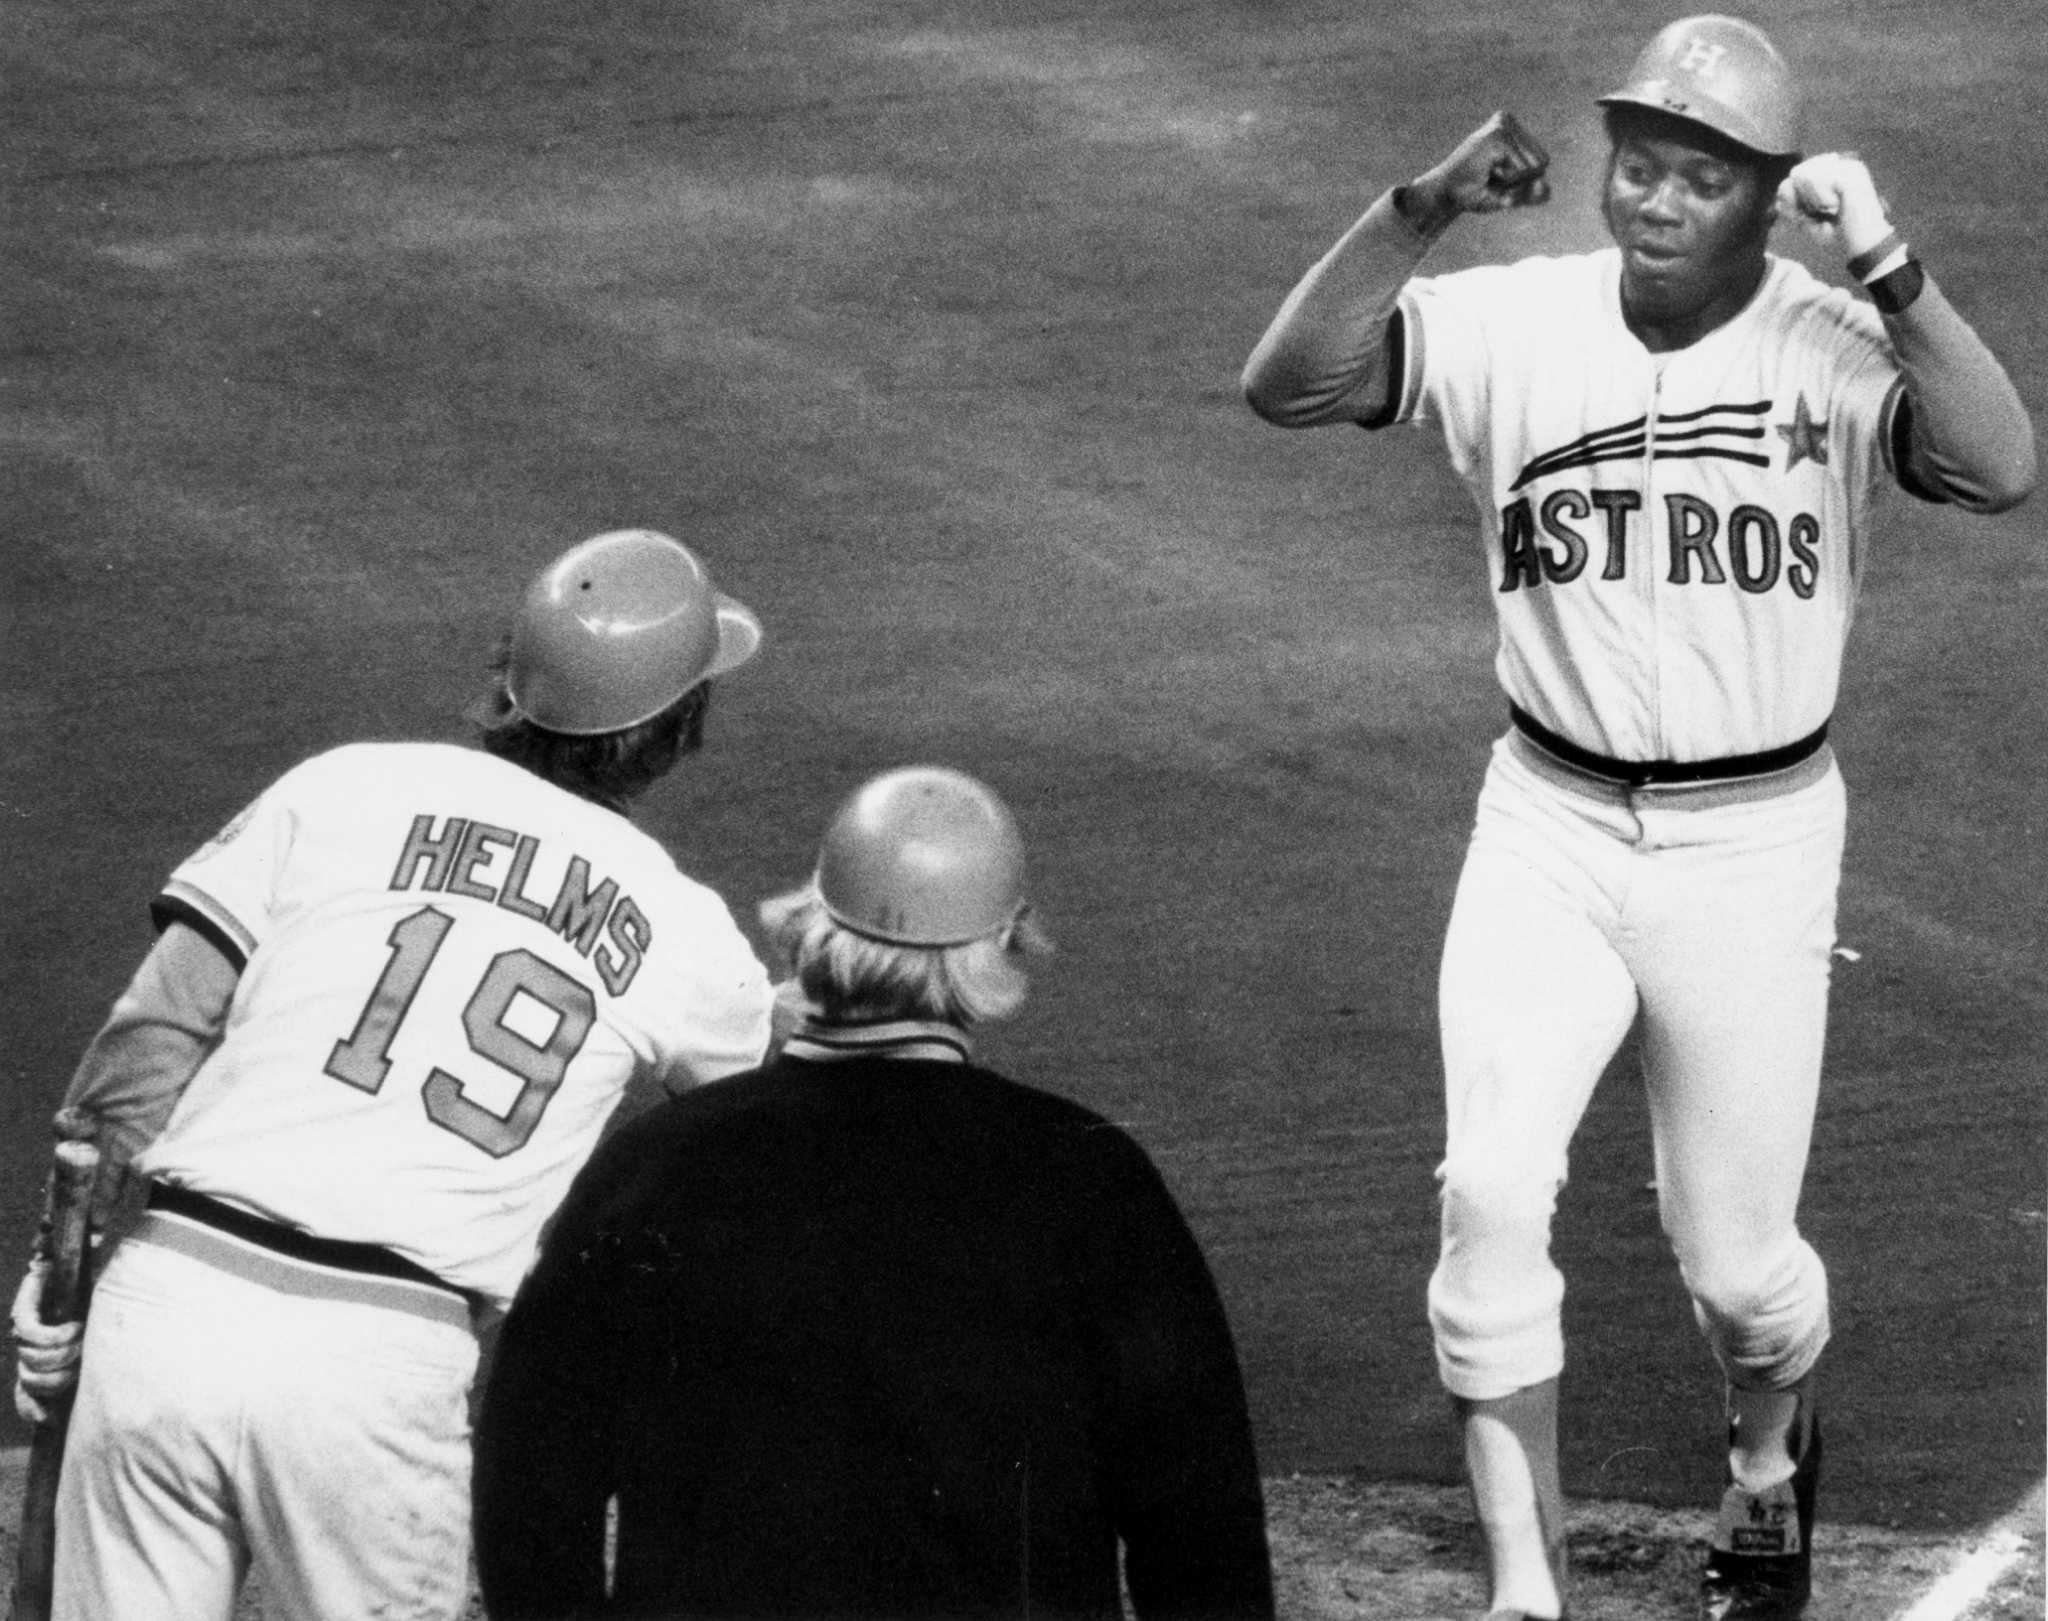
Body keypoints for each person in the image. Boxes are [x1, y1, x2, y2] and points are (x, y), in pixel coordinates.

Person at [1239, 15, 2033, 1621]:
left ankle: (1765, 1453)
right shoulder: (1508, 322)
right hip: (1547, 823)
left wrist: (1887, 264)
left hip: (1754, 845)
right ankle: (1523, 1590)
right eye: (1640, 164)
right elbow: (1289, 384)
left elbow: (2002, 464)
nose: (1654, 200)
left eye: (1698, 176)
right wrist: (1418, 210)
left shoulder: (1826, 342)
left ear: (1767, 193)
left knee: (1741, 1274)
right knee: (1486, 1189)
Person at [9, 528, 778, 1621]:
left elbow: (143, 1047)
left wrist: (62, 1277)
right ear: (676, 729)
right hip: (378, 1366)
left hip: (168, 1307)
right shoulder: (682, 929)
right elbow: (785, 1125)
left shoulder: (342, 785)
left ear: (508, 682)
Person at [471, 764, 1277, 1621]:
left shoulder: (652, 1169)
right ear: (1004, 945)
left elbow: (529, 1484)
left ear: (808, 927)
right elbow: (1198, 1522)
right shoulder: (1088, 1178)